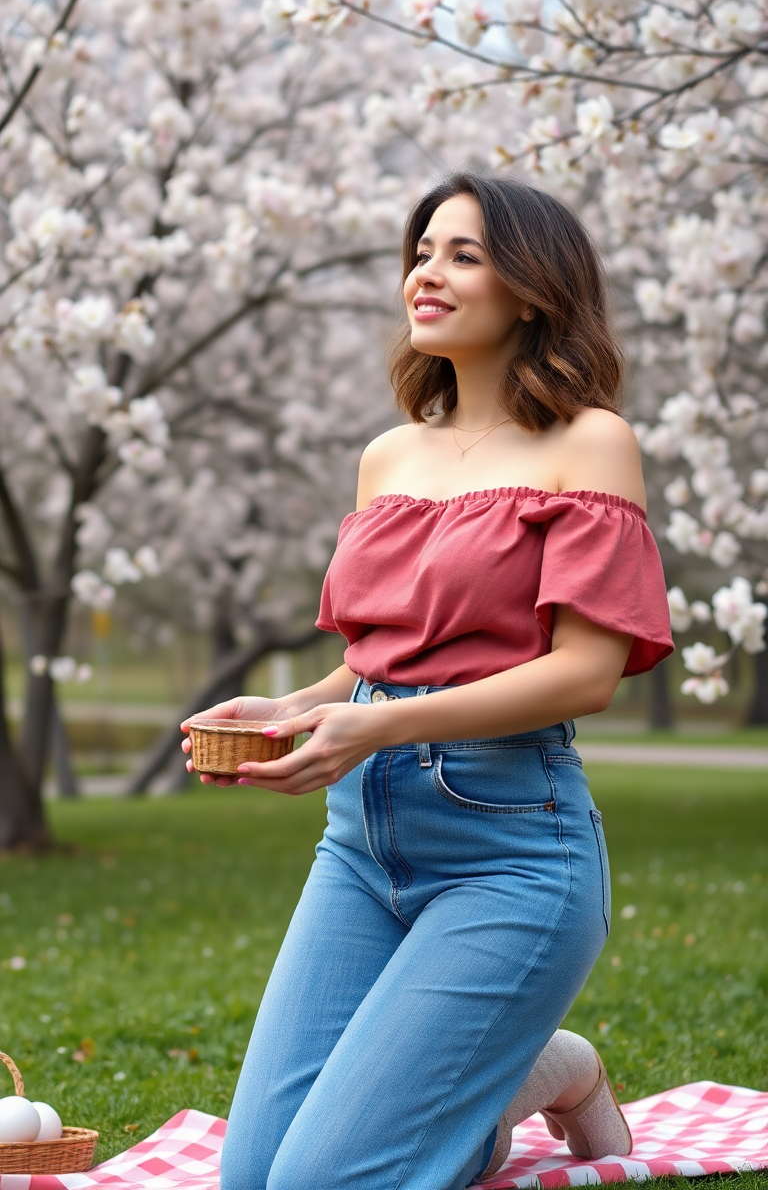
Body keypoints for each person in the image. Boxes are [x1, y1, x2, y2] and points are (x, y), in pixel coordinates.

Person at [181, 173, 674, 1190]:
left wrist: (377, 728)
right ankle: (526, 1073)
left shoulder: (587, 442)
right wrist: (301, 706)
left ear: (532, 290)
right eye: (422, 250)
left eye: (464, 254)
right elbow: (384, 659)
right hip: (361, 847)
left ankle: (521, 1067)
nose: (427, 273)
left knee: (319, 1182)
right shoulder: (389, 458)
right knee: (252, 1180)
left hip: (511, 848)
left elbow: (584, 674)